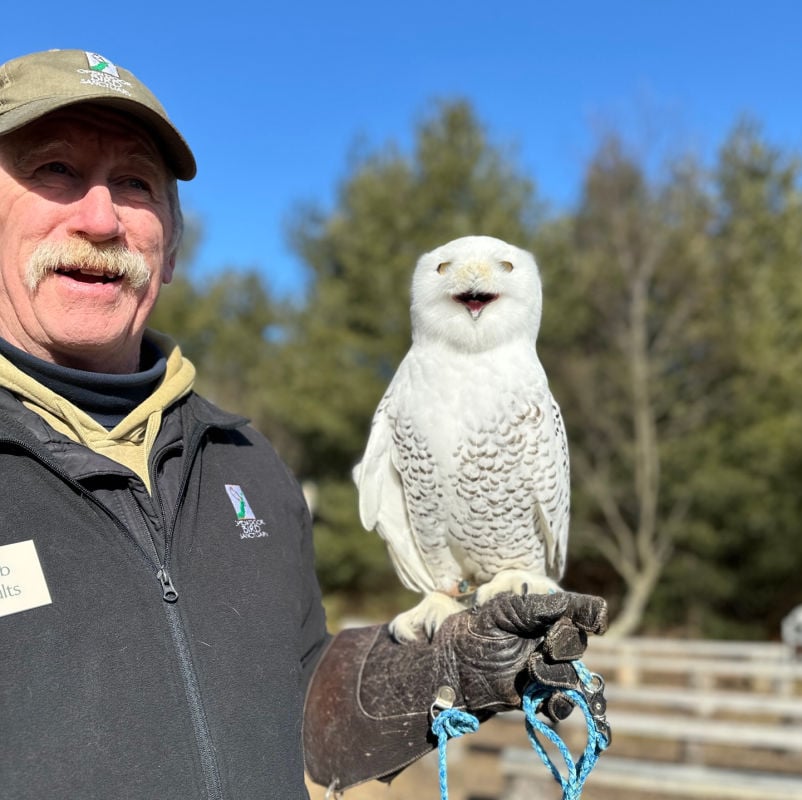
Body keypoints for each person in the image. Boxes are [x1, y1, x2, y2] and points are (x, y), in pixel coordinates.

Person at [0, 49, 608, 799]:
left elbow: (302, 714)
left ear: (172, 247)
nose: (101, 218)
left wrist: (435, 668)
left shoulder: (243, 462)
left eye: (134, 183)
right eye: (54, 169)